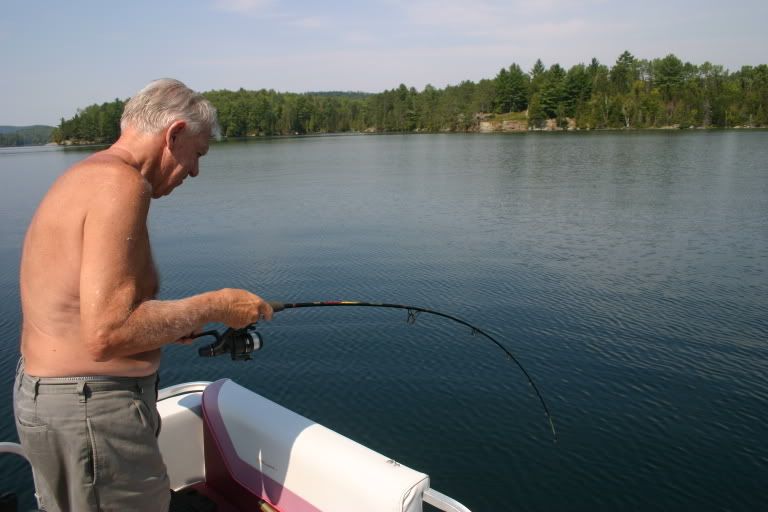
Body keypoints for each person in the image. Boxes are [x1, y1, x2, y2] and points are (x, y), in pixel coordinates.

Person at [13, 78, 273, 512]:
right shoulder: (121, 185)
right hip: (92, 411)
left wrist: (169, 326)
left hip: (64, 404)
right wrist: (217, 305)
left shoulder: (88, 175)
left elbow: (88, 316)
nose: (195, 171)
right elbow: (107, 334)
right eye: (198, 154)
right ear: (174, 134)